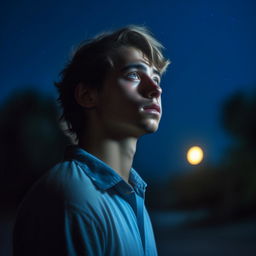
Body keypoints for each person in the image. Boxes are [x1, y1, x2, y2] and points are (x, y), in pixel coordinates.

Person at [13, 25, 170, 256]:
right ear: (87, 95)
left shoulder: (133, 199)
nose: (155, 88)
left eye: (156, 78)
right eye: (134, 75)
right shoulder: (70, 198)